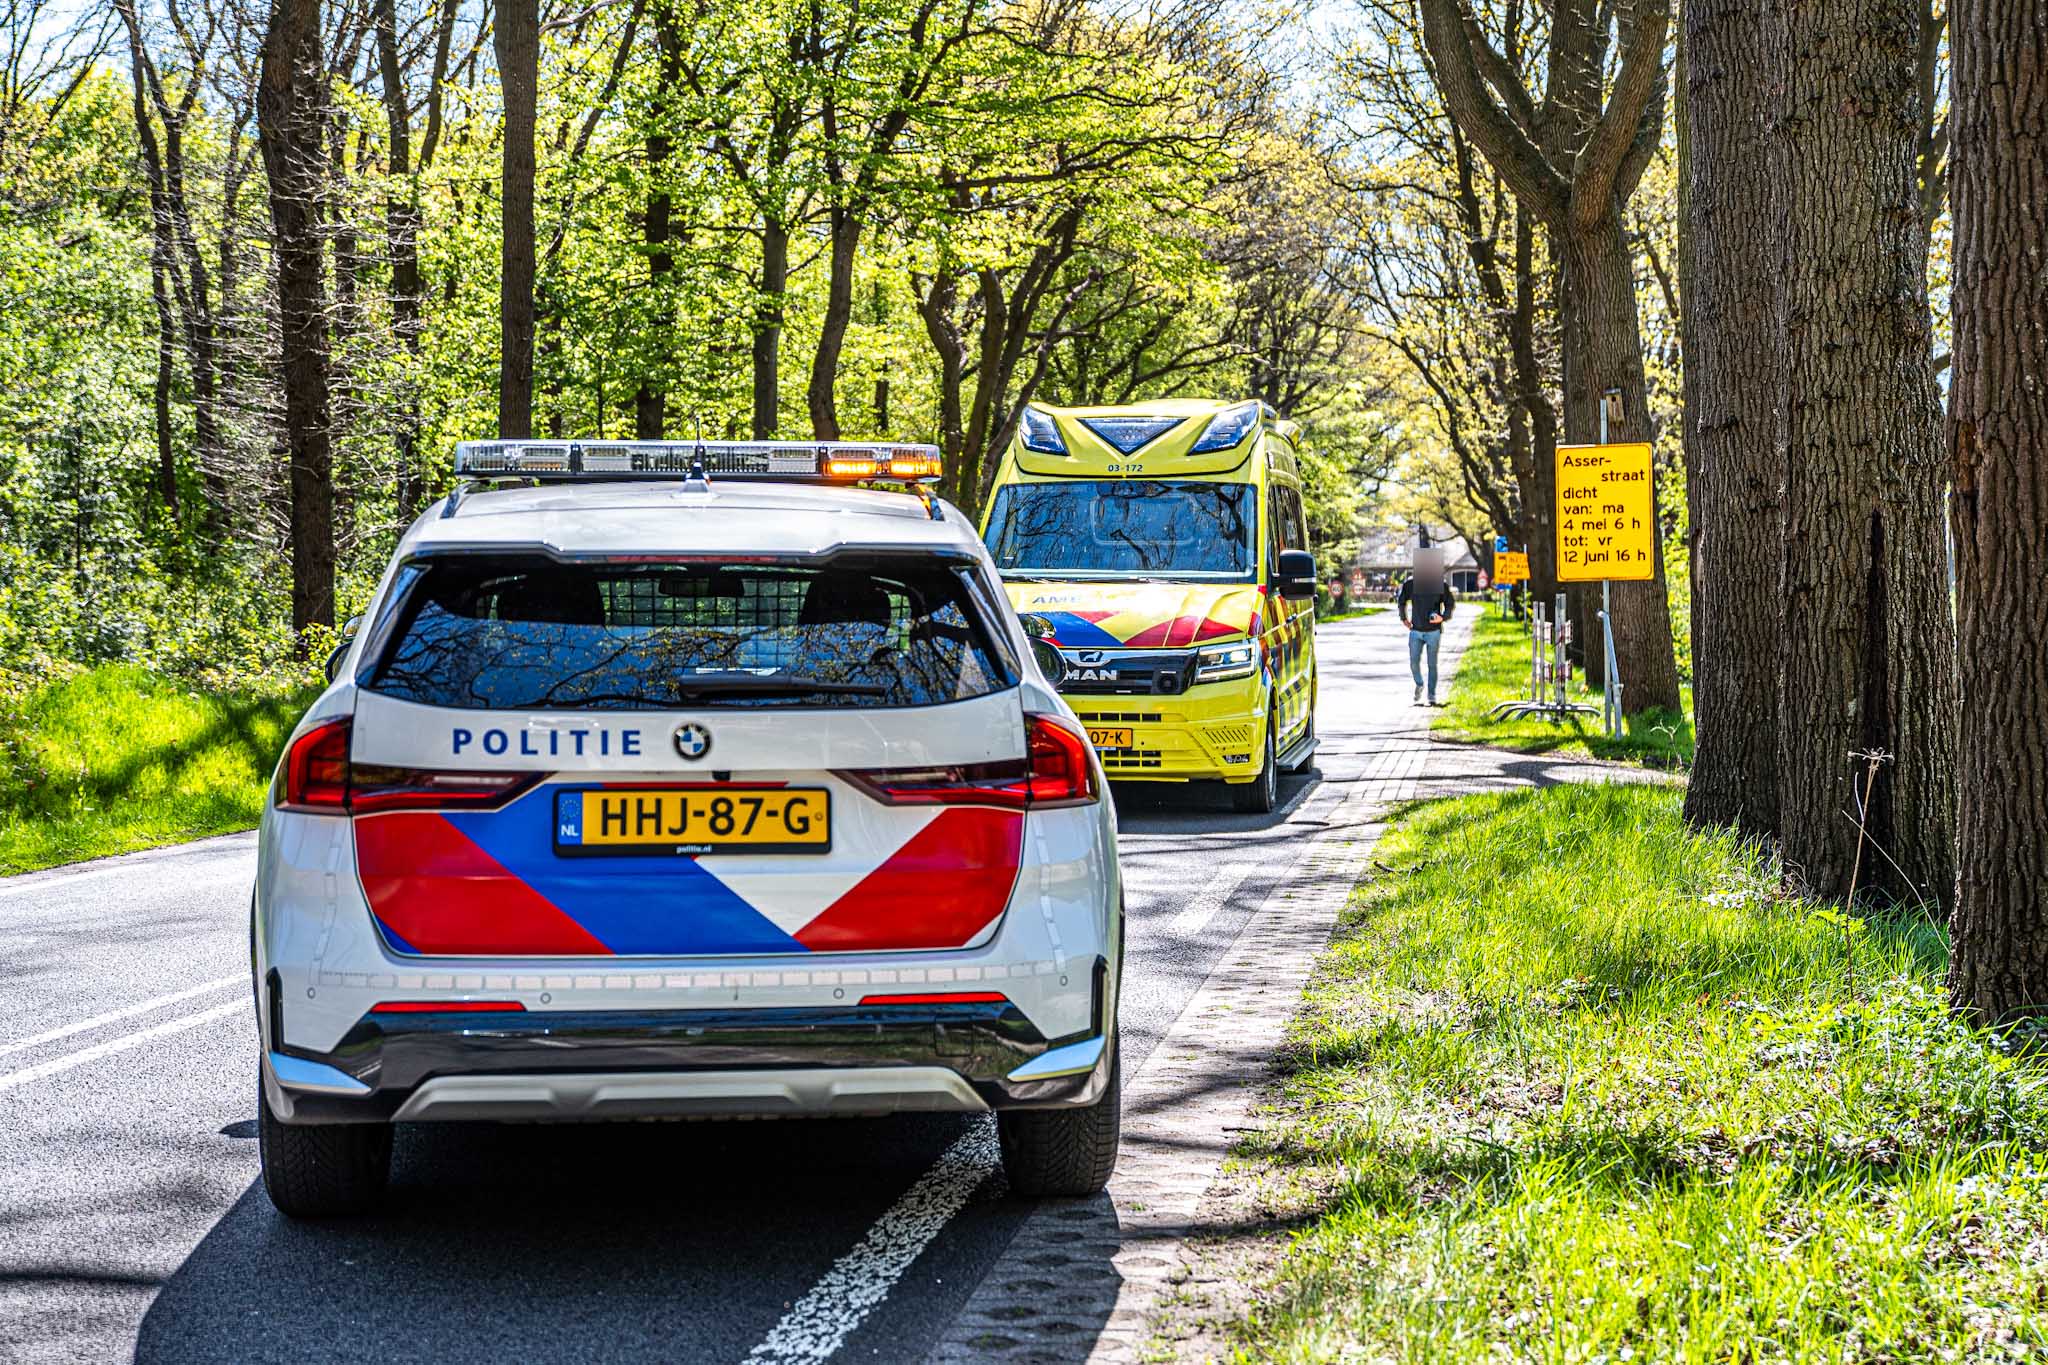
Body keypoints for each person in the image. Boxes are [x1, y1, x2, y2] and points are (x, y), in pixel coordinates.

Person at [1397, 550, 1455, 705]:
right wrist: (1404, 619)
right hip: (1415, 631)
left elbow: (1450, 604)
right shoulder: (1411, 584)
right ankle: (1419, 684)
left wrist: (1443, 617)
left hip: (1433, 632)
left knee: (1432, 664)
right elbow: (1401, 600)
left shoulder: (1440, 584)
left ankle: (1431, 695)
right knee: (1413, 663)